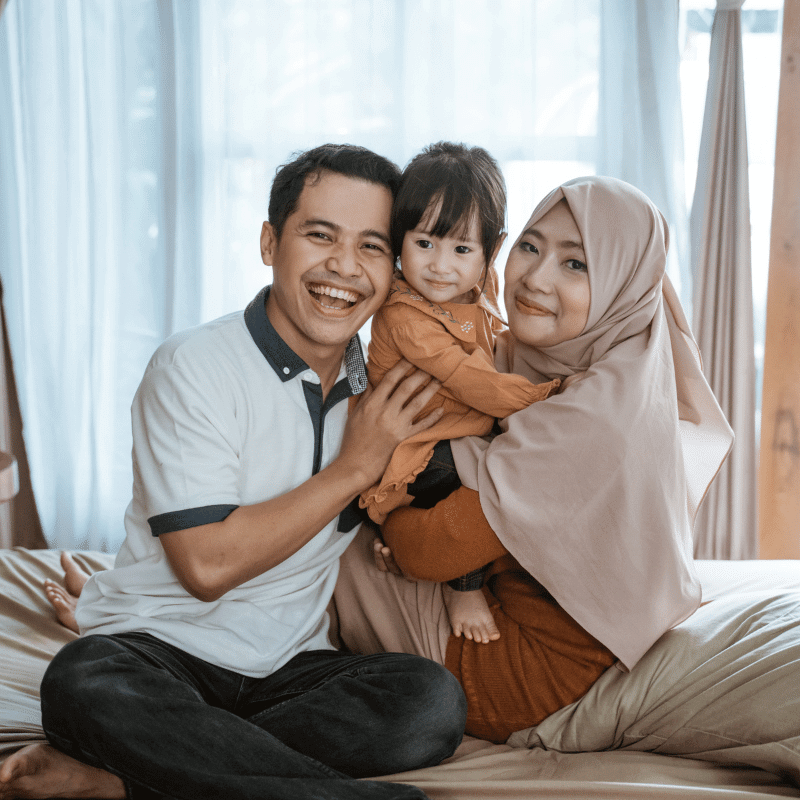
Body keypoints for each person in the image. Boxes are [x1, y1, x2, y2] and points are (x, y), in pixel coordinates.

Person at [0, 144, 467, 800]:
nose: (344, 267)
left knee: (428, 701)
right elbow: (207, 567)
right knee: (83, 682)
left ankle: (129, 779)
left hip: (291, 669)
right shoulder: (192, 367)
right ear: (270, 243)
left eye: (371, 247)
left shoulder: (387, 386)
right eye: (319, 235)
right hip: (159, 652)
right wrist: (355, 465)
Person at [337, 174, 734, 743]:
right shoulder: (576, 364)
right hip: (501, 611)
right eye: (530, 246)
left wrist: (386, 511)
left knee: (327, 533)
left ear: (626, 283)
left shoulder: (594, 416)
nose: (535, 278)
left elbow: (435, 549)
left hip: (518, 674)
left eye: (577, 264)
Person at [360, 142, 560, 645]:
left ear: (492, 250)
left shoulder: (481, 286)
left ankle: (489, 565)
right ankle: (462, 586)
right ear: (398, 239)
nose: (440, 266)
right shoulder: (404, 315)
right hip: (417, 446)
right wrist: (546, 397)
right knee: (462, 479)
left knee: (514, 475)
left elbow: (498, 343)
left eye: (461, 249)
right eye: (424, 243)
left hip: (465, 427)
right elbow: (471, 380)